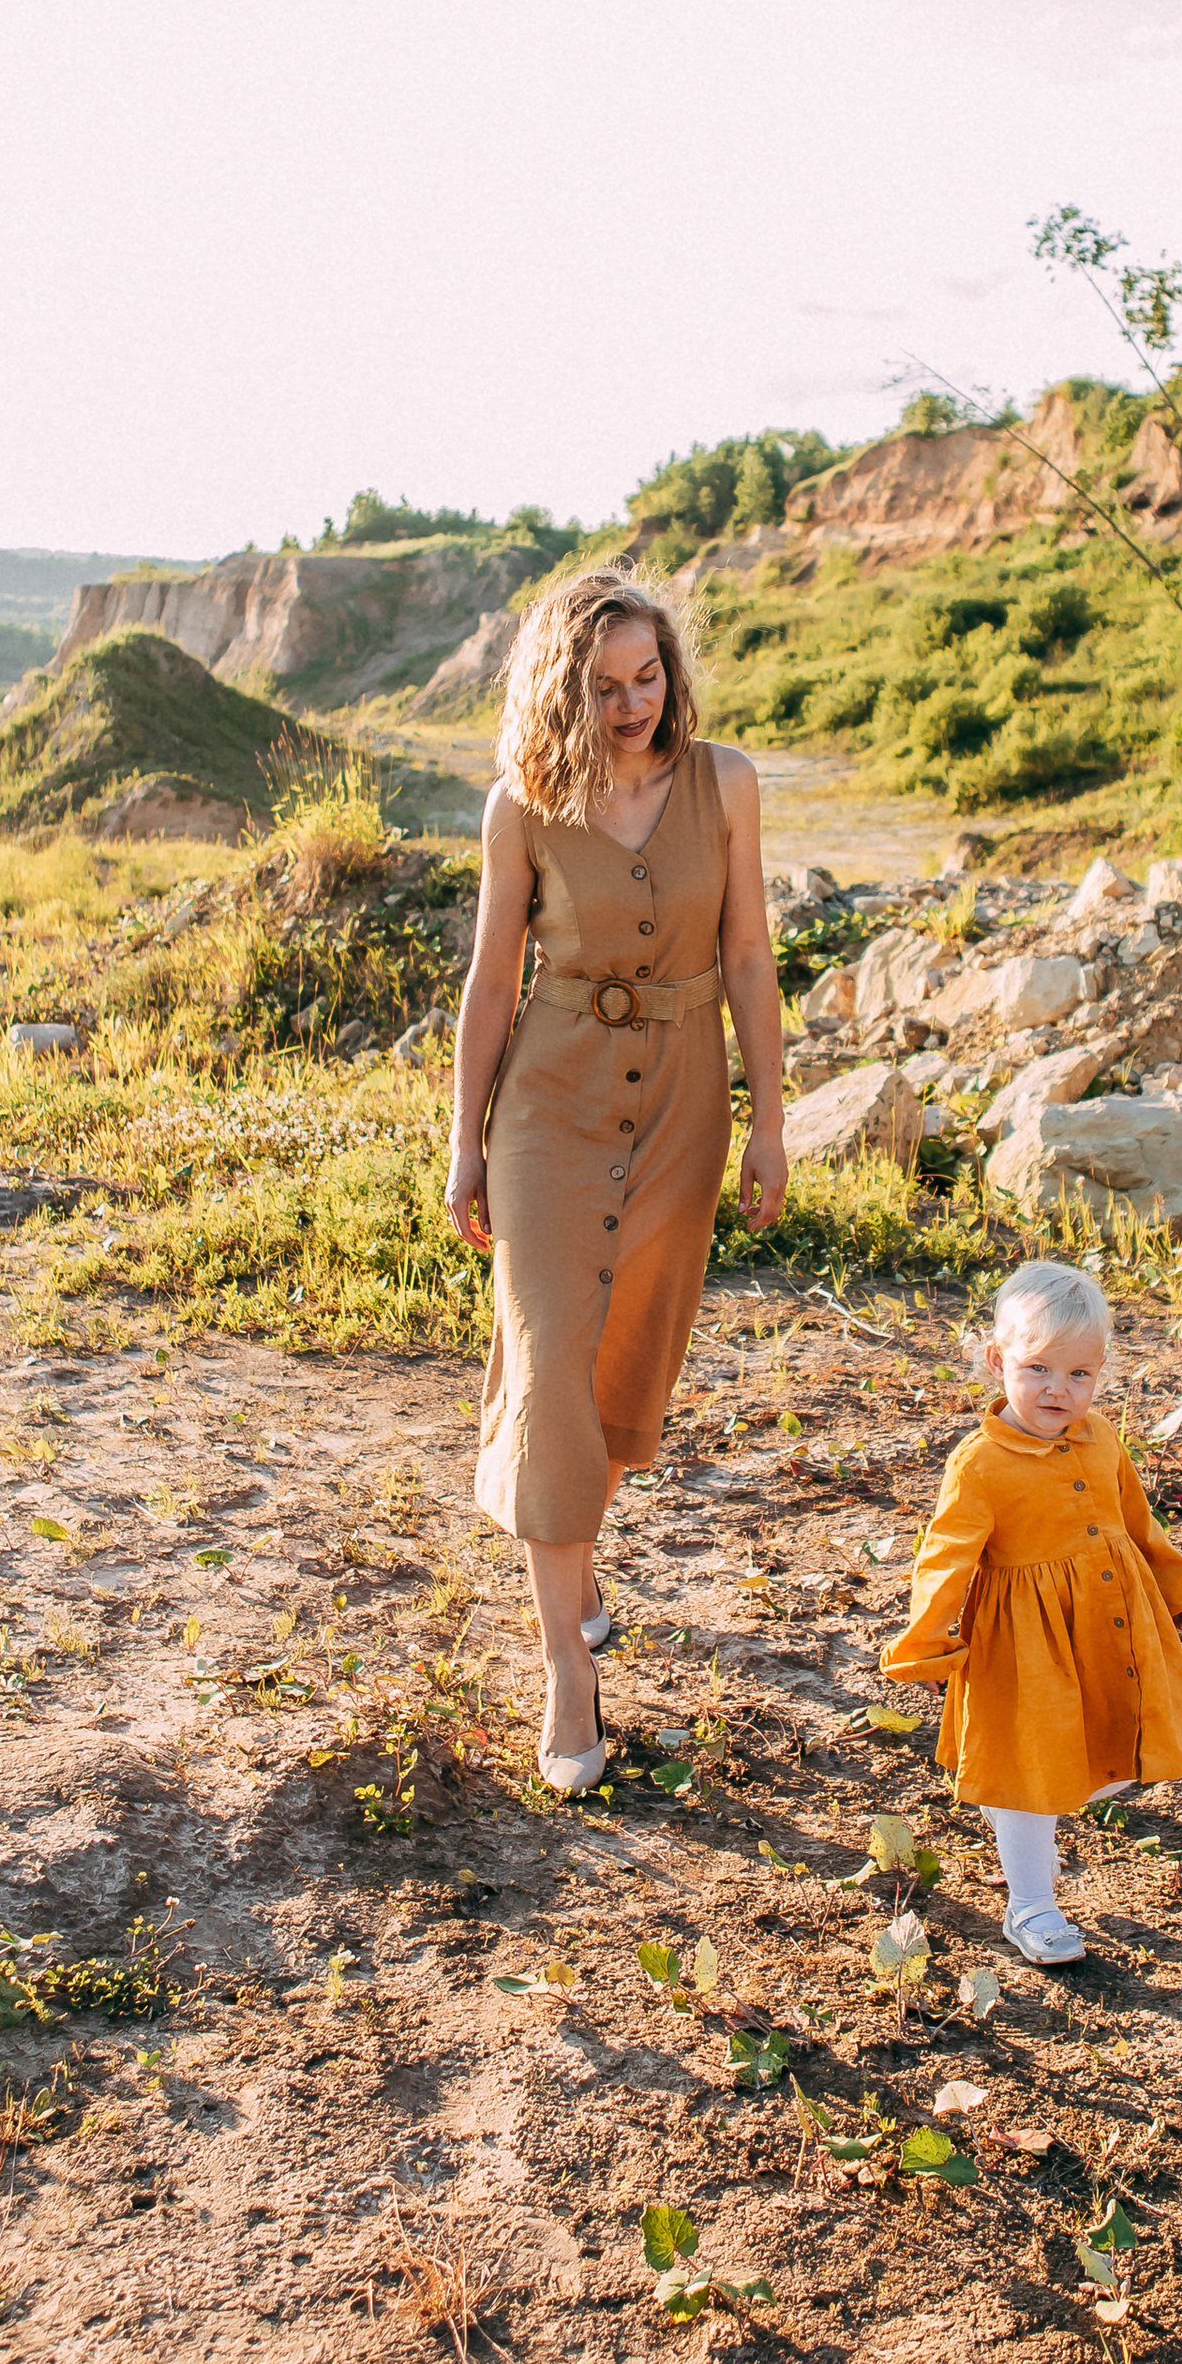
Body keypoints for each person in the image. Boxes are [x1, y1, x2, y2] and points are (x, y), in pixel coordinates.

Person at [446, 571, 788, 1791]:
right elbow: (491, 986)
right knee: (546, 1365)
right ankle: (565, 1672)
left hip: (683, 1107)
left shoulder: (727, 785)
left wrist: (768, 1123)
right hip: (548, 1105)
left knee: (618, 1358)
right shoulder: (519, 809)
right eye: (602, 685)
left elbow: (747, 958)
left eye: (647, 676)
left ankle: (574, 1559)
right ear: (559, 687)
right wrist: (461, 1140)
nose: (632, 702)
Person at [878, 1257, 1182, 1964]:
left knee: (1107, 1754)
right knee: (1030, 1770)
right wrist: (930, 1643)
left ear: (1100, 1372)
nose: (1059, 1390)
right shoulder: (980, 1464)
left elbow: (1136, 1520)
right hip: (1022, 1645)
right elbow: (946, 1556)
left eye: (1079, 1374)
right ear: (998, 1361)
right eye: (1038, 1369)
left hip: (1105, 1627)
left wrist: (1173, 1587)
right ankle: (1031, 1902)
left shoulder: (1102, 1439)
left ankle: (1024, 1822)